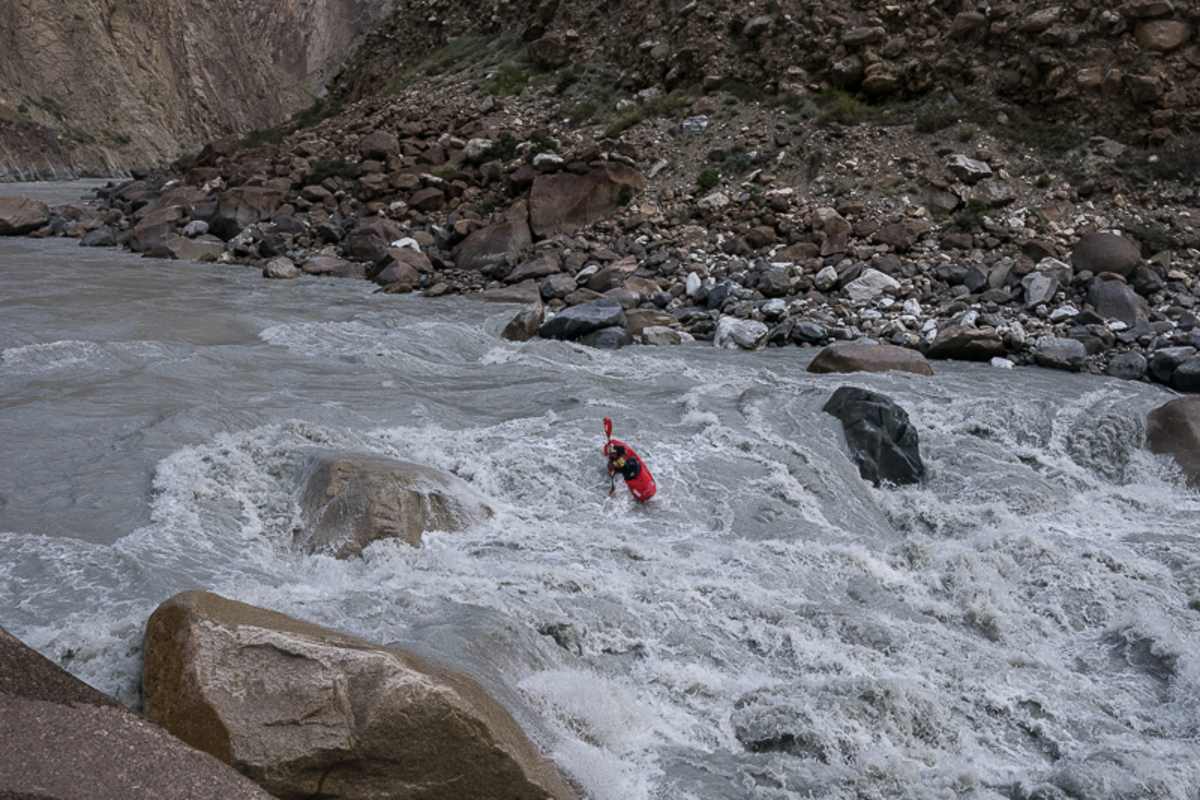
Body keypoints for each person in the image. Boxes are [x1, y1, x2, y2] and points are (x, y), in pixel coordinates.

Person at [604, 436, 657, 503]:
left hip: (635, 478)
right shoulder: (632, 461)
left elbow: (617, 469)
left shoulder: (628, 465)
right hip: (639, 478)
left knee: (626, 468)